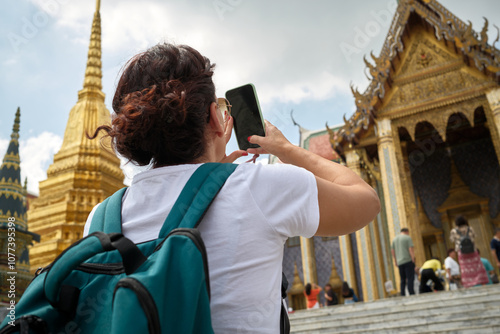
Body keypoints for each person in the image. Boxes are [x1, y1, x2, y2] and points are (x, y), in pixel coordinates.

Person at [83, 43, 380, 333]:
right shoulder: (258, 187)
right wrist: (285, 149)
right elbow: (366, 201)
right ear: (215, 117)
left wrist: (211, 178)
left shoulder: (101, 219)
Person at [449, 215, 489, 288]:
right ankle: (483, 284)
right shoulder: (470, 228)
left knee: (465, 268)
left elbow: (452, 239)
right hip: (472, 251)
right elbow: (474, 237)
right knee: (477, 267)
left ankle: (468, 285)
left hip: (462, 252)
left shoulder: (454, 231)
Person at [391, 228, 416, 296]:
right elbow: (410, 249)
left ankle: (402, 293)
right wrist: (413, 259)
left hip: (400, 262)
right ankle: (411, 292)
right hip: (408, 260)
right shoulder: (407, 238)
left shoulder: (395, 239)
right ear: (407, 232)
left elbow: (392, 251)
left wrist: (395, 260)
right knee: (410, 277)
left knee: (402, 279)